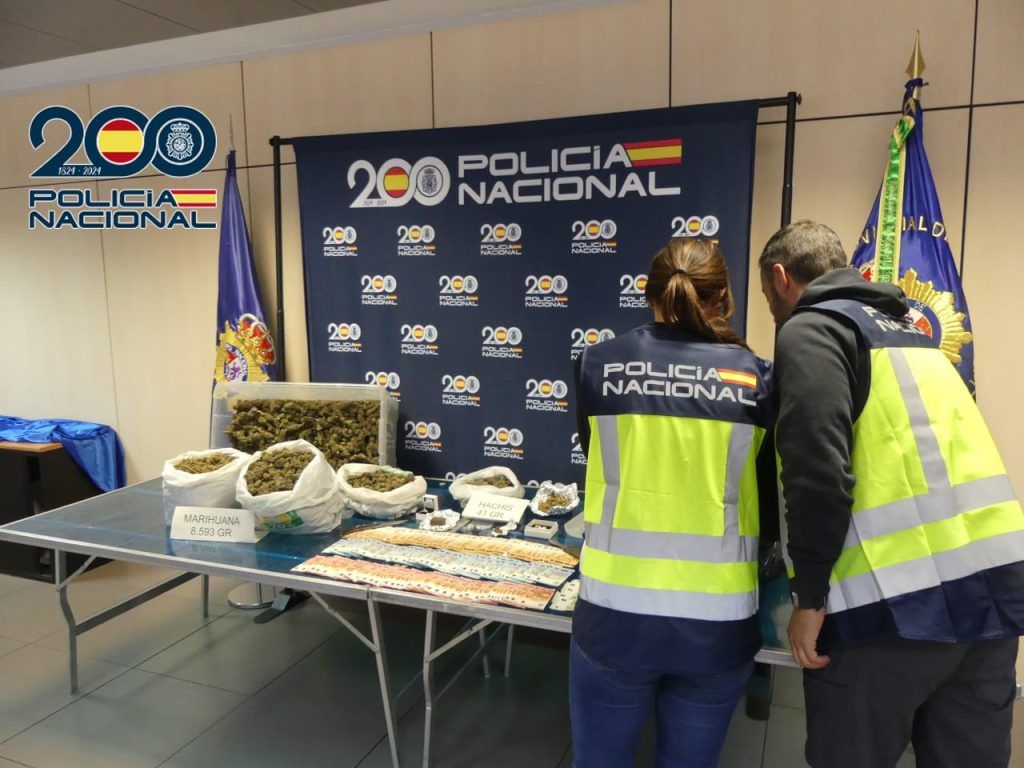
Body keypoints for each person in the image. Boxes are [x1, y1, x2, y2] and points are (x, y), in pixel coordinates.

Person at [759, 220, 1024, 768]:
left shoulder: (812, 329)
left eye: (768, 298)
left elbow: (817, 474)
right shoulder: (916, 338)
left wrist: (809, 599)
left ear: (781, 278)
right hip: (990, 601)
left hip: (888, 615)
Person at [570, 237, 775, 767]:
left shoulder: (596, 364)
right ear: (723, 297)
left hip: (613, 618)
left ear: (648, 293)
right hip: (718, 625)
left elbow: (596, 458)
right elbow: (770, 499)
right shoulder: (757, 378)